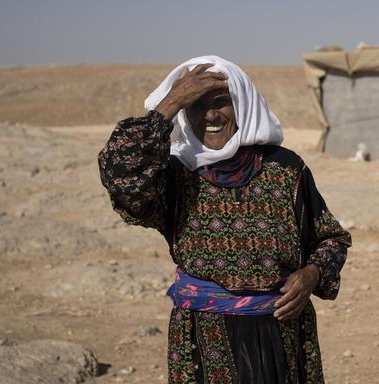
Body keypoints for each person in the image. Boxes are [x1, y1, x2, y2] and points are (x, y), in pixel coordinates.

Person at [97, 55, 351, 384]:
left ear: (242, 103)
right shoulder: (173, 175)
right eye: (196, 105)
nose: (211, 115)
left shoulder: (286, 169)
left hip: (283, 336)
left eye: (221, 102)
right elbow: (120, 172)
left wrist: (312, 274)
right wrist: (171, 102)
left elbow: (331, 238)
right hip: (203, 341)